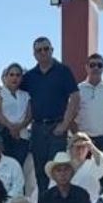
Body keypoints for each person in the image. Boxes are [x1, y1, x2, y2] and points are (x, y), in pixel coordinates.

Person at [20, 37, 79, 192]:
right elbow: (14, 89)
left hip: (57, 128)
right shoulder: (29, 76)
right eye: (39, 50)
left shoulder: (63, 71)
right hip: (37, 128)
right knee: (40, 173)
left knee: (58, 170)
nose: (43, 52)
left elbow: (75, 97)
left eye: (46, 49)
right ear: (34, 54)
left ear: (52, 50)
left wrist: (65, 124)